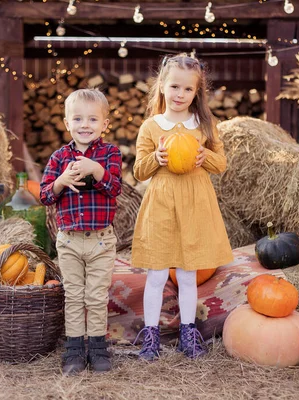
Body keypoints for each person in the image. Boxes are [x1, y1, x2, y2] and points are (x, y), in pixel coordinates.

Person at [131, 54, 234, 360]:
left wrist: (206, 157)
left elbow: (222, 162)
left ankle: (188, 334)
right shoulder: (151, 126)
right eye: (174, 86)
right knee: (158, 274)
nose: (179, 94)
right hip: (161, 205)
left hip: (195, 204)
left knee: (188, 274)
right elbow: (138, 170)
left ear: (196, 93)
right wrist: (156, 159)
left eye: (187, 90)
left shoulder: (204, 124)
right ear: (161, 86)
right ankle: (150, 337)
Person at [40, 88, 122, 374]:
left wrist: (95, 170)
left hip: (101, 240)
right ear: (66, 123)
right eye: (78, 119)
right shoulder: (59, 157)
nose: (85, 125)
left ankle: (98, 348)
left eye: (92, 119)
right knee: (74, 295)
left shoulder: (110, 153)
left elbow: (114, 189)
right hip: (69, 240)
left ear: (104, 124)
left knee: (97, 295)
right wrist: (62, 181)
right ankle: (74, 349)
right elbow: (45, 196)